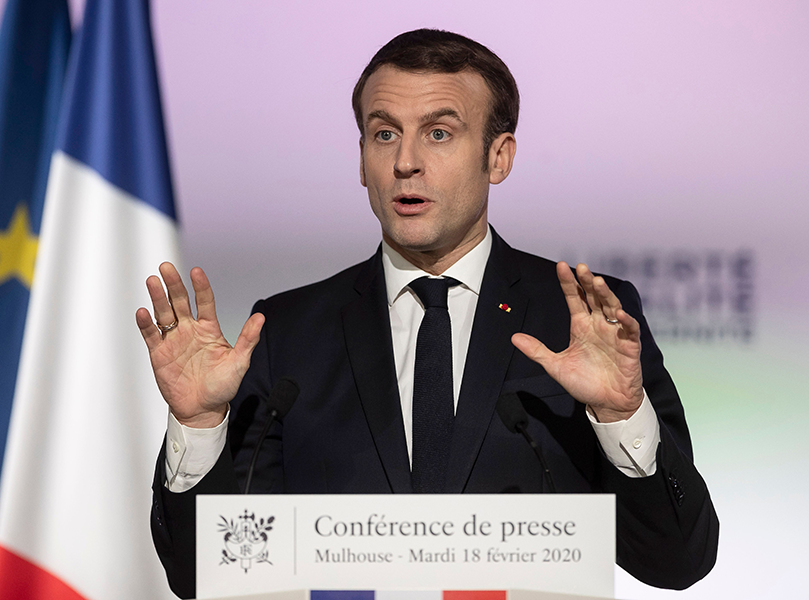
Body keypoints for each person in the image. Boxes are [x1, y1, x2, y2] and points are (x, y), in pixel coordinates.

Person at [137, 29, 718, 599]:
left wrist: (620, 417)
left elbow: (677, 562)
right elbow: (203, 576)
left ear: (499, 156)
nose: (405, 162)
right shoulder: (288, 333)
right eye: (383, 133)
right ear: (361, 160)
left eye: (439, 133)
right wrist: (199, 425)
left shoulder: (578, 320)